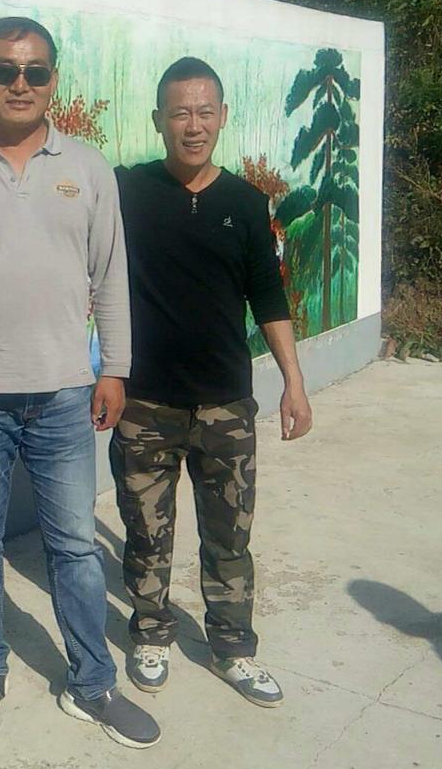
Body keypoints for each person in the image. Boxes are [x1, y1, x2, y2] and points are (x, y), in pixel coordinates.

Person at [0, 17, 159, 748]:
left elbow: (111, 277)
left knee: (75, 545)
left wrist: (114, 369)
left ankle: (92, 684)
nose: (21, 83)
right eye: (5, 70)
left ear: (53, 80)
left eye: (35, 71)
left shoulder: (88, 169)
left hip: (64, 395)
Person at [110, 55, 313, 706]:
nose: (192, 125)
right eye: (179, 113)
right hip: (145, 405)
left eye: (204, 112)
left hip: (226, 406)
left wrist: (294, 382)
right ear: (159, 120)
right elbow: (54, 186)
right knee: (146, 534)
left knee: (229, 539)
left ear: (222, 116)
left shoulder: (246, 204)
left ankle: (232, 648)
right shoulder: (128, 191)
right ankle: (150, 632)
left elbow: (268, 296)